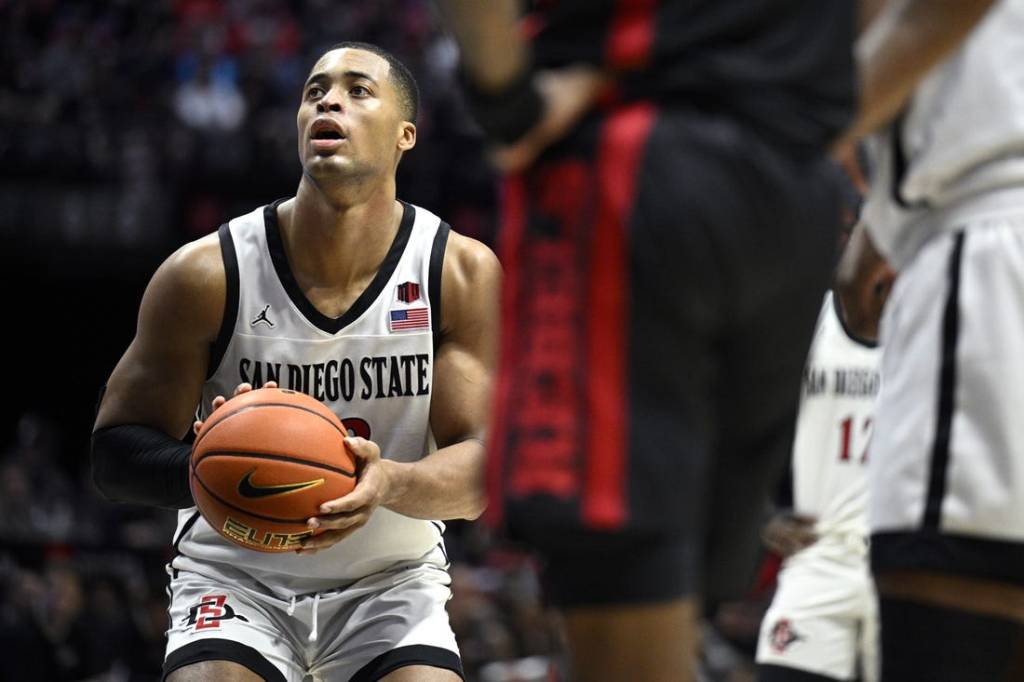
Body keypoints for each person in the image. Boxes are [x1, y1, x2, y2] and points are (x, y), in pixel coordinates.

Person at [440, 2, 856, 679]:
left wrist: (505, 97)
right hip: (800, 183)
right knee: (685, 603)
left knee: (627, 601)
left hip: (633, 160)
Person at [91, 42, 501, 682]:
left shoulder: (456, 271)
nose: (329, 100)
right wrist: (212, 466)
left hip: (390, 582)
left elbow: (480, 472)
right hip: (234, 578)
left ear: (405, 135)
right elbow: (115, 453)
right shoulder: (207, 273)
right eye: (315, 91)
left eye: (358, 90)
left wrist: (385, 483)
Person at [837, 0, 1024, 679]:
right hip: (968, 224)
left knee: (949, 638)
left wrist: (789, 133)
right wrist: (879, 232)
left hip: (988, 250)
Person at [755, 275, 885, 682]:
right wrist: (760, 516)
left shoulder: (938, 324)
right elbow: (739, 425)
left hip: (904, 566)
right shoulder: (808, 321)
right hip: (820, 555)